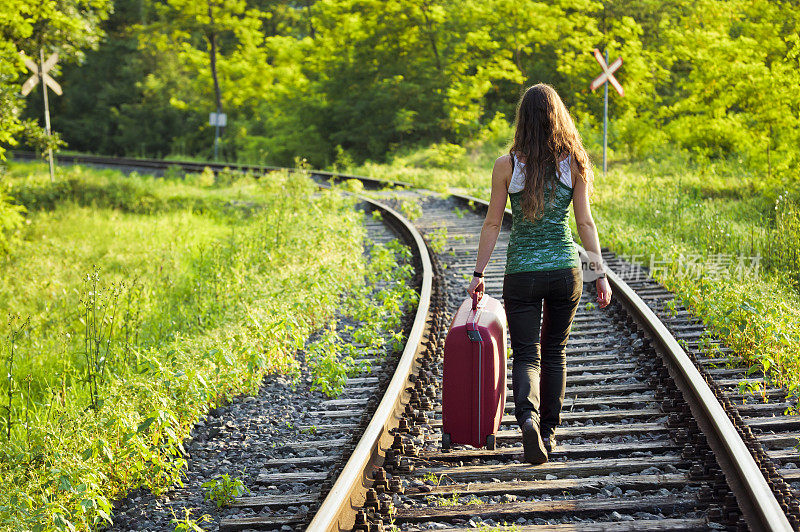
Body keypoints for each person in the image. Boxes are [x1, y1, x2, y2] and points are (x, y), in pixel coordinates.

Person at [467, 83, 612, 464]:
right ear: (557, 116)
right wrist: (600, 275)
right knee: (554, 352)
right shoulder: (574, 160)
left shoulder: (508, 164)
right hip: (566, 271)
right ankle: (548, 431)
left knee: (527, 353)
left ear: (523, 120)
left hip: (522, 275)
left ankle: (528, 420)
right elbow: (585, 222)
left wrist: (478, 273)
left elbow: (492, 225)